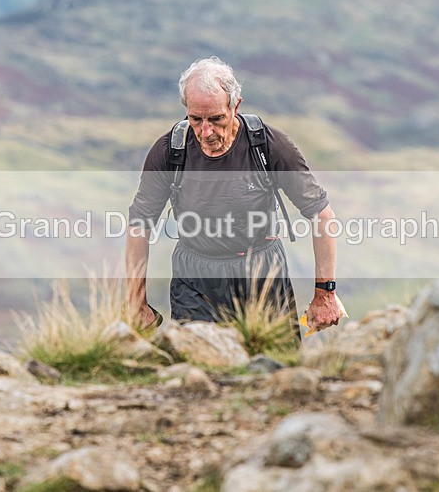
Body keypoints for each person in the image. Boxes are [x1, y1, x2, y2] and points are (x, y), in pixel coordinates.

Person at [126, 56, 341, 335]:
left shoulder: (267, 144)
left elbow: (321, 215)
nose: (206, 131)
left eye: (216, 119)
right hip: (195, 280)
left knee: (274, 370)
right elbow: (139, 224)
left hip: (262, 275)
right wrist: (136, 302)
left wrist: (325, 294)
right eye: (195, 119)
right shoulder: (170, 151)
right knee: (198, 370)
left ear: (235, 105)